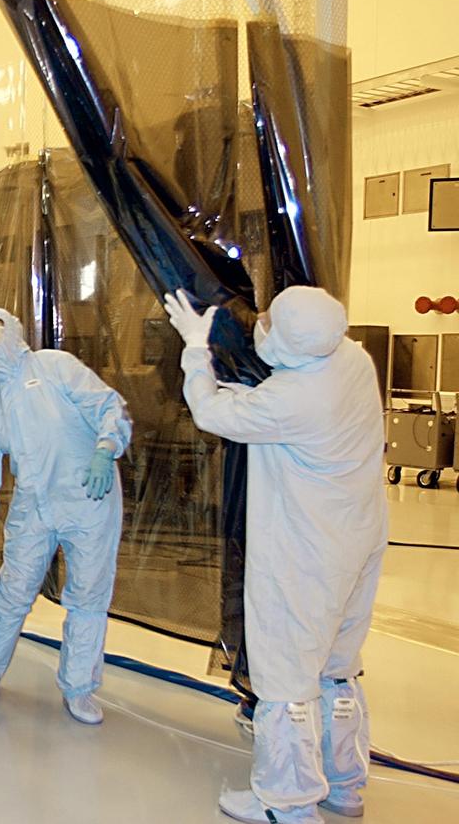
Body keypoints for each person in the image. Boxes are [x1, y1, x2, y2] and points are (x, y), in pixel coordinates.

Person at [163, 286, 387, 824]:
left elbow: (212, 412)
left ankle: (285, 802)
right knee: (337, 667)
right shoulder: (355, 359)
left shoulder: (294, 400)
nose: (260, 323)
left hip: (306, 553)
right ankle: (343, 786)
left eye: (270, 322)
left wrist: (196, 348)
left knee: (286, 678)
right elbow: (274, 383)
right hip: (358, 538)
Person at [0, 305, 132, 725]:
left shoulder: (55, 367)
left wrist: (107, 448)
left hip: (89, 495)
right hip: (33, 505)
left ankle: (79, 689)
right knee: (11, 593)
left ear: (15, 330)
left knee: (88, 596)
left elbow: (109, 406)